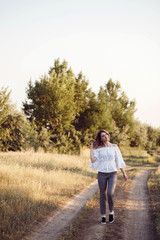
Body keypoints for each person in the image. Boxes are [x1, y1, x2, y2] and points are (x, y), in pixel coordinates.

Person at [90, 129, 128, 224]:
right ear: (100, 138)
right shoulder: (98, 148)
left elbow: (118, 160)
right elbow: (93, 160)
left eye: (106, 134)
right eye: (103, 135)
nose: (105, 136)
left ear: (108, 135)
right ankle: (103, 216)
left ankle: (111, 212)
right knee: (102, 195)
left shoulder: (114, 147)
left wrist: (124, 173)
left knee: (110, 194)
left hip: (112, 173)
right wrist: (91, 148)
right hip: (102, 174)